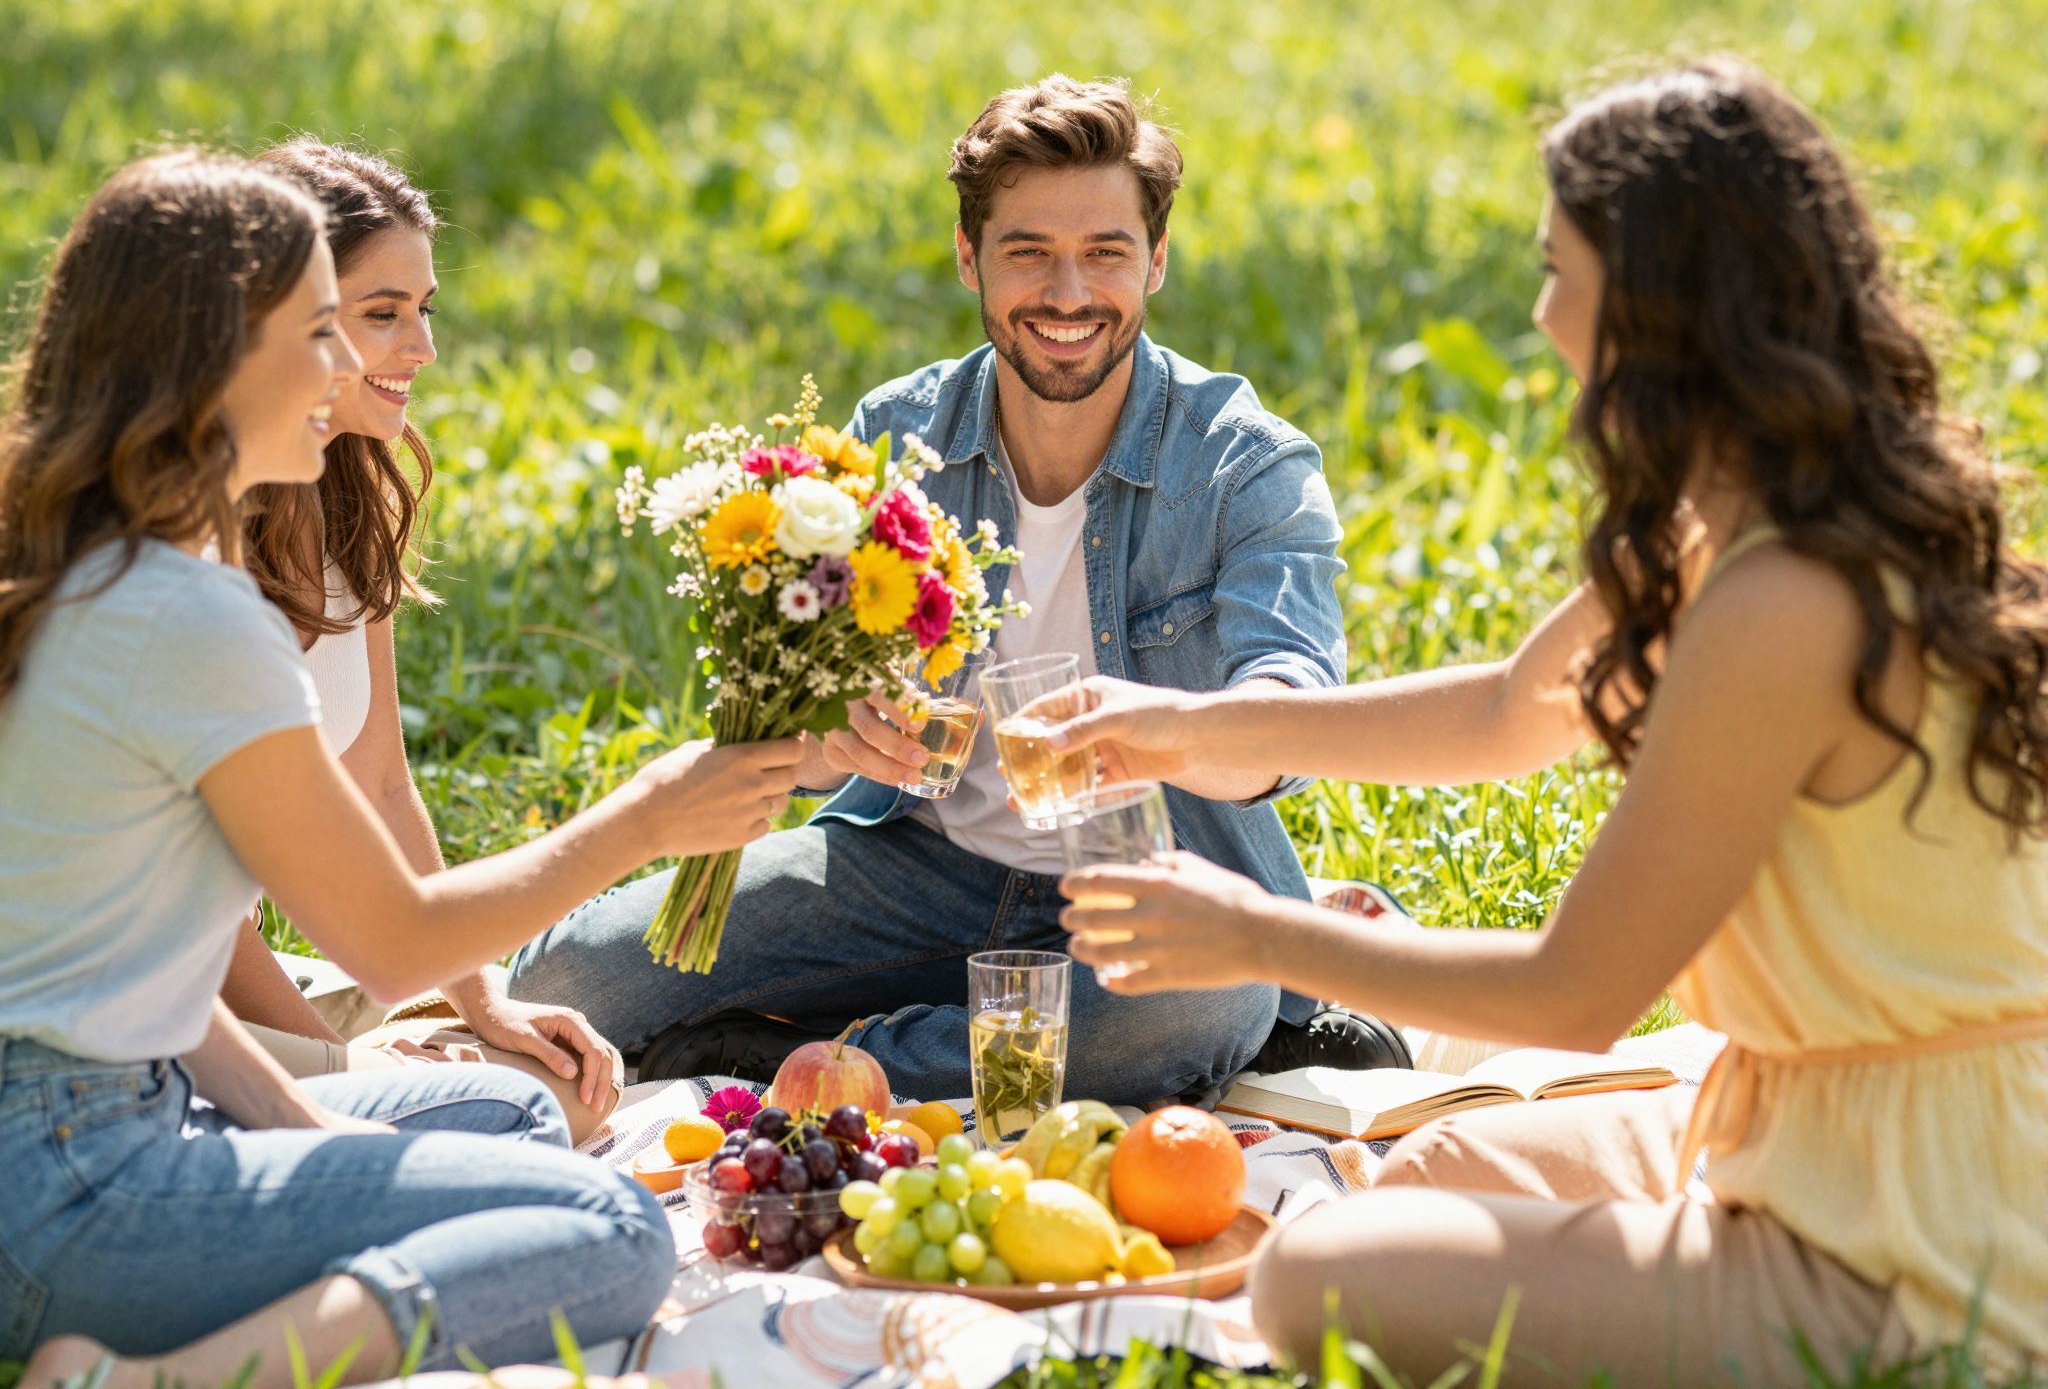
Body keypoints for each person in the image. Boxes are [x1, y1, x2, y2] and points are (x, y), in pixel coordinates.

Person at [1052, 60, 2048, 1382]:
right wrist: (1183, 728)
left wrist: (1250, 931)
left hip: (1913, 1237)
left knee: (1311, 1275)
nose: (1536, 310)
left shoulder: (1783, 599)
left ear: (1651, 301)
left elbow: (1573, 996)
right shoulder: (1742, 518)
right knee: (1434, 1165)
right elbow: (1508, 713)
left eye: (1553, 267)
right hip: (1804, 1117)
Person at [0, 152, 801, 1386]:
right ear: (214, 355)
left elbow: (144, 977)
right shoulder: (190, 618)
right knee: (609, 1229)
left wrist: (317, 1136)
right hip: (77, 1189)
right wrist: (646, 815)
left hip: (97, 1124)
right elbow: (390, 945)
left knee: (508, 1114)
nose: (349, 367)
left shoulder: (87, 566)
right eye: (320, 330)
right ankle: (138, 1381)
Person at [509, 74, 1404, 1106]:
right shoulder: (897, 436)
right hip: (913, 865)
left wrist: (1164, 732)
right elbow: (796, 723)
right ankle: (999, 1036)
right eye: (1028, 252)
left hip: (1149, 884)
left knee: (1205, 1000)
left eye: (1105, 253)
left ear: (1156, 260)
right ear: (968, 257)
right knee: (562, 981)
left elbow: (1292, 706)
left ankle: (802, 1056)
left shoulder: (1244, 463)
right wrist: (837, 734)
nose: (1067, 294)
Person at [212, 138, 621, 1138]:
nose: (422, 348)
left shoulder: (349, 502)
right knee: (516, 1114)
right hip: (177, 999)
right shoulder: (197, 548)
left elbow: (384, 788)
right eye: (382, 314)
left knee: (564, 1089)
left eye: (424, 309)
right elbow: (191, 906)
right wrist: (333, 1060)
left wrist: (482, 1002)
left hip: (249, 981)